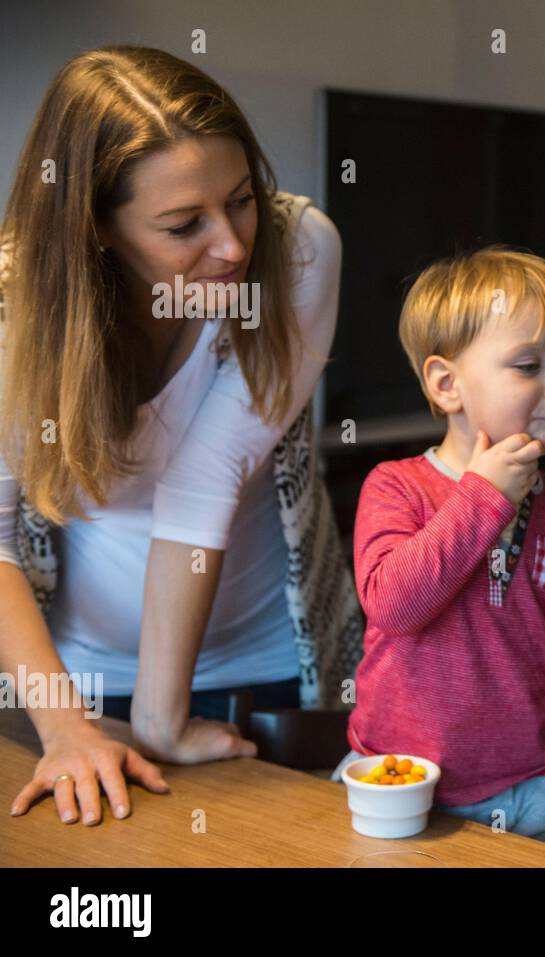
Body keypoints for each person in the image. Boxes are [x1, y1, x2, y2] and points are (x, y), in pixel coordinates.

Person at [1, 47, 363, 827]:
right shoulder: (12, 318)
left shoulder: (297, 250)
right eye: (182, 224)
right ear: (94, 226)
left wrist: (164, 718)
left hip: (276, 657)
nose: (232, 244)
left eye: (240, 199)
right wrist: (63, 724)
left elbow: (206, 475)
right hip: (74, 675)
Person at [333, 247, 545, 847]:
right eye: (528, 365)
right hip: (407, 783)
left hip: (538, 783)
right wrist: (484, 495)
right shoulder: (396, 488)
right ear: (448, 384)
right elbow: (395, 605)